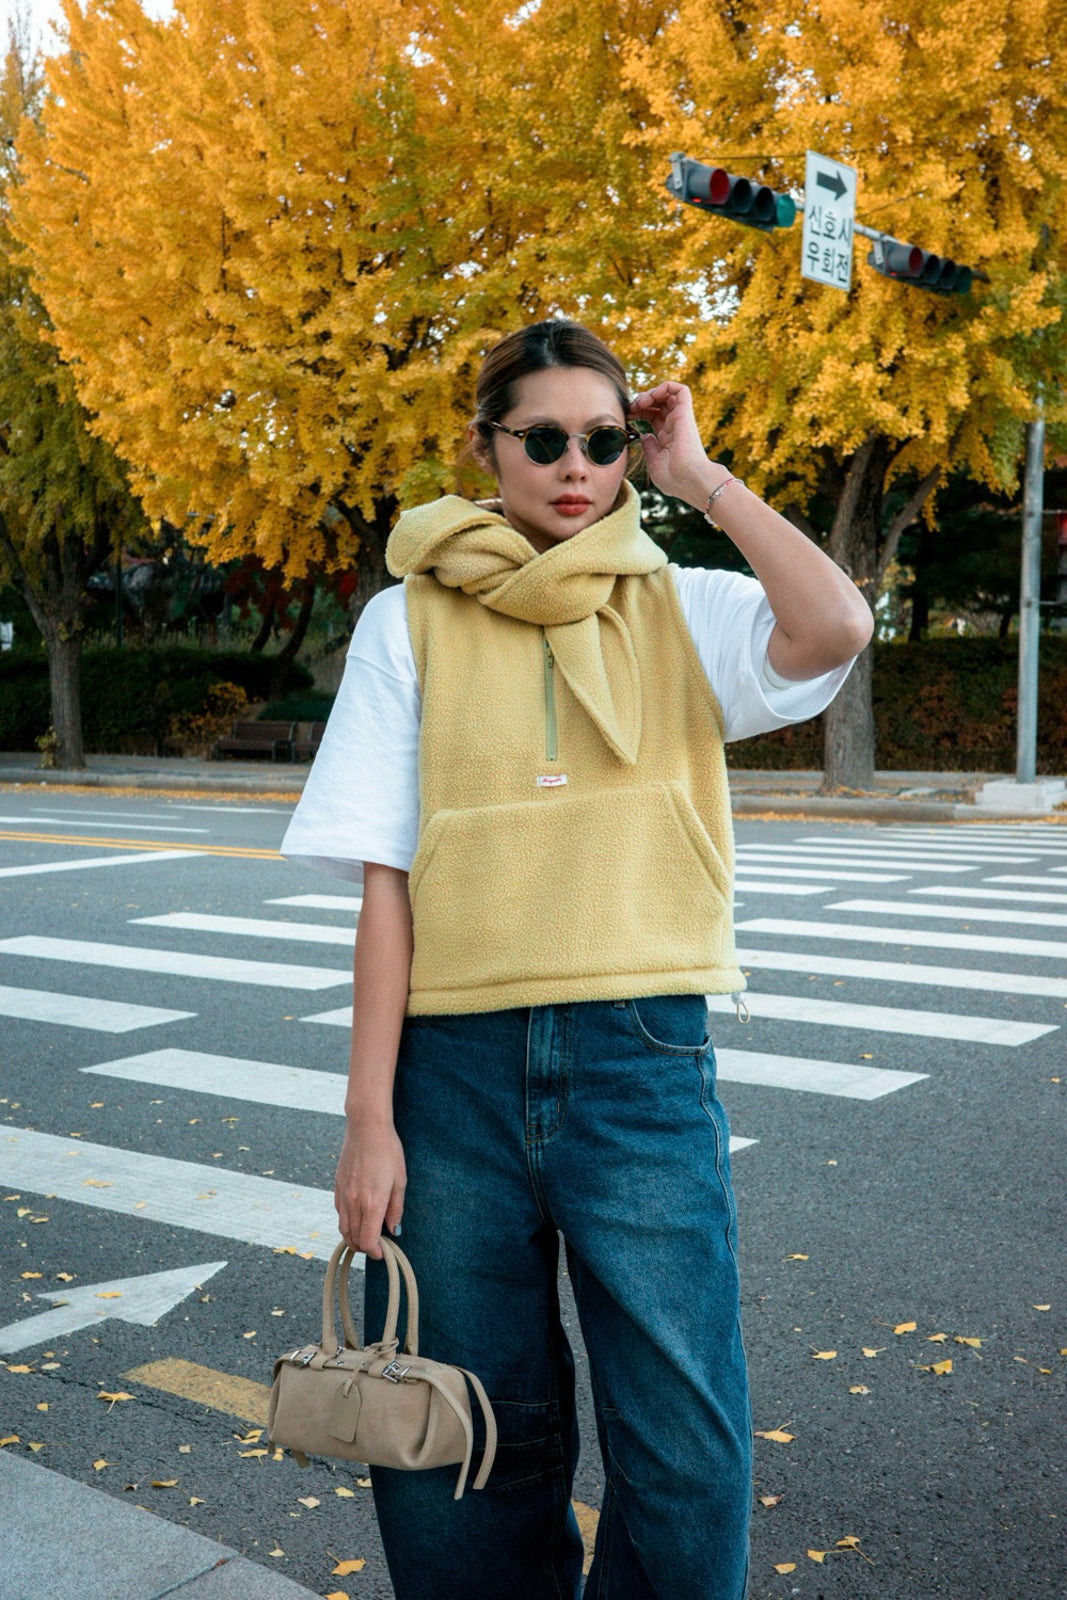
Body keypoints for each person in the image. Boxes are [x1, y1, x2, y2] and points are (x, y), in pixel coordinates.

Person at [280, 319, 872, 1600]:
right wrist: (367, 1120)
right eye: (542, 437)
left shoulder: (681, 602)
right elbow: (385, 883)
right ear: (484, 445)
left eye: (603, 442)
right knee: (463, 1436)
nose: (574, 465)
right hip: (452, 1070)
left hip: (638, 1052)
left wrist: (695, 478)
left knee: (686, 1439)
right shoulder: (406, 618)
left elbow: (834, 624)